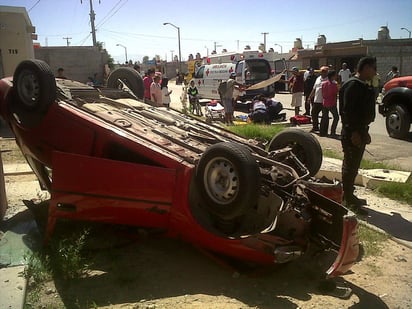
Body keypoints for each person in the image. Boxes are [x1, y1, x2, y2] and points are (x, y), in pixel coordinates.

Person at [340, 56, 377, 215]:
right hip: (352, 132)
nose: (375, 72)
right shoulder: (353, 85)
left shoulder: (361, 85)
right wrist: (354, 132)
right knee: (350, 165)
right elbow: (348, 112)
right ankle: (347, 199)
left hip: (359, 130)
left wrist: (364, 132)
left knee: (354, 165)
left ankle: (349, 194)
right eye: (373, 68)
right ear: (366, 67)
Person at [308, 66, 329, 133]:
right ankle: (315, 127)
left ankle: (324, 130)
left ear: (327, 72)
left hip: (324, 101)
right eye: (322, 71)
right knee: (314, 113)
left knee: (325, 116)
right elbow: (314, 89)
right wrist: (309, 97)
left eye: (324, 71)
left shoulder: (329, 80)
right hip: (316, 100)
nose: (323, 72)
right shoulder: (318, 78)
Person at [320, 70, 339, 137]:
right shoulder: (334, 85)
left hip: (325, 102)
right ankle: (332, 132)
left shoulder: (324, 83)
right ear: (332, 76)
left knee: (324, 117)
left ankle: (322, 132)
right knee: (336, 117)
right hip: (331, 103)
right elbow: (335, 93)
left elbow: (322, 93)